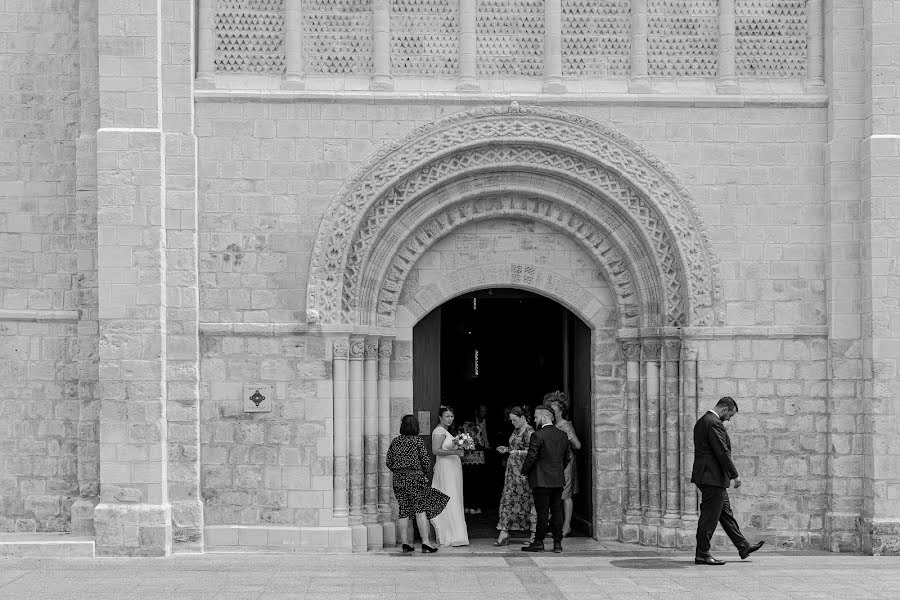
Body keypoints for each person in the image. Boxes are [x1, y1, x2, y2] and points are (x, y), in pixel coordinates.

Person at [691, 396, 765, 565]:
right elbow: (722, 452)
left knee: (725, 514)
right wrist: (734, 474)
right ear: (724, 409)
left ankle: (743, 546)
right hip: (712, 478)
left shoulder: (703, 421)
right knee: (709, 517)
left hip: (709, 477)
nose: (729, 419)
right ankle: (702, 553)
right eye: (730, 415)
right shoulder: (714, 422)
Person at [385, 415, 447, 553]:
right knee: (420, 510)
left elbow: (389, 462)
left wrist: (399, 471)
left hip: (399, 479)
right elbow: (425, 462)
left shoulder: (396, 441)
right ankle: (425, 543)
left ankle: (406, 543)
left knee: (404, 510)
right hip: (415, 478)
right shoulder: (417, 442)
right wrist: (421, 473)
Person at [520, 406, 569, 553]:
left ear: (545, 417)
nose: (534, 420)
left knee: (542, 512)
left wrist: (524, 472)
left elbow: (532, 456)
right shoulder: (563, 435)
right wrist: (557, 470)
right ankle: (557, 544)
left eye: (536, 417)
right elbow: (567, 458)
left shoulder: (537, 435)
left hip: (541, 480)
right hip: (557, 479)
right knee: (556, 510)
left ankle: (539, 542)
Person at [494, 406, 535, 546]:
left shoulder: (529, 432)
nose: (512, 422)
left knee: (525, 500)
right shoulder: (516, 430)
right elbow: (515, 448)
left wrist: (517, 453)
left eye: (514, 420)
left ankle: (533, 534)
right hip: (512, 472)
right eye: (511, 420)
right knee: (508, 499)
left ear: (522, 418)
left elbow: (533, 452)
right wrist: (506, 449)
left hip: (524, 472)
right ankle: (504, 531)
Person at [430, 405, 469, 546]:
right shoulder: (439, 431)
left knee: (455, 496)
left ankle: (457, 533)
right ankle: (450, 534)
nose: (450, 419)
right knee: (449, 495)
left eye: (451, 416)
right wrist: (455, 452)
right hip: (446, 468)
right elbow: (435, 450)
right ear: (440, 417)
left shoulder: (447, 432)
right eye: (447, 416)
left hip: (453, 469)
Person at [546, 393, 582, 537]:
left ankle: (566, 526)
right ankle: (556, 525)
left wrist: (567, 441)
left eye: (553, 410)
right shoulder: (553, 425)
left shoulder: (565, 425)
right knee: (555, 493)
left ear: (560, 410)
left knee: (565, 495)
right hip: (556, 463)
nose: (551, 412)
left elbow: (578, 445)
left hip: (566, 462)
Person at [461, 404, 491, 514]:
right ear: (476, 412)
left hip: (474, 456)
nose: (483, 413)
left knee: (473, 480)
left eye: (484, 411)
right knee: (472, 480)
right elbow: (477, 440)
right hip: (472, 456)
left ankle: (471, 505)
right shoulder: (471, 424)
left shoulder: (483, 422)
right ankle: (470, 505)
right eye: (481, 411)